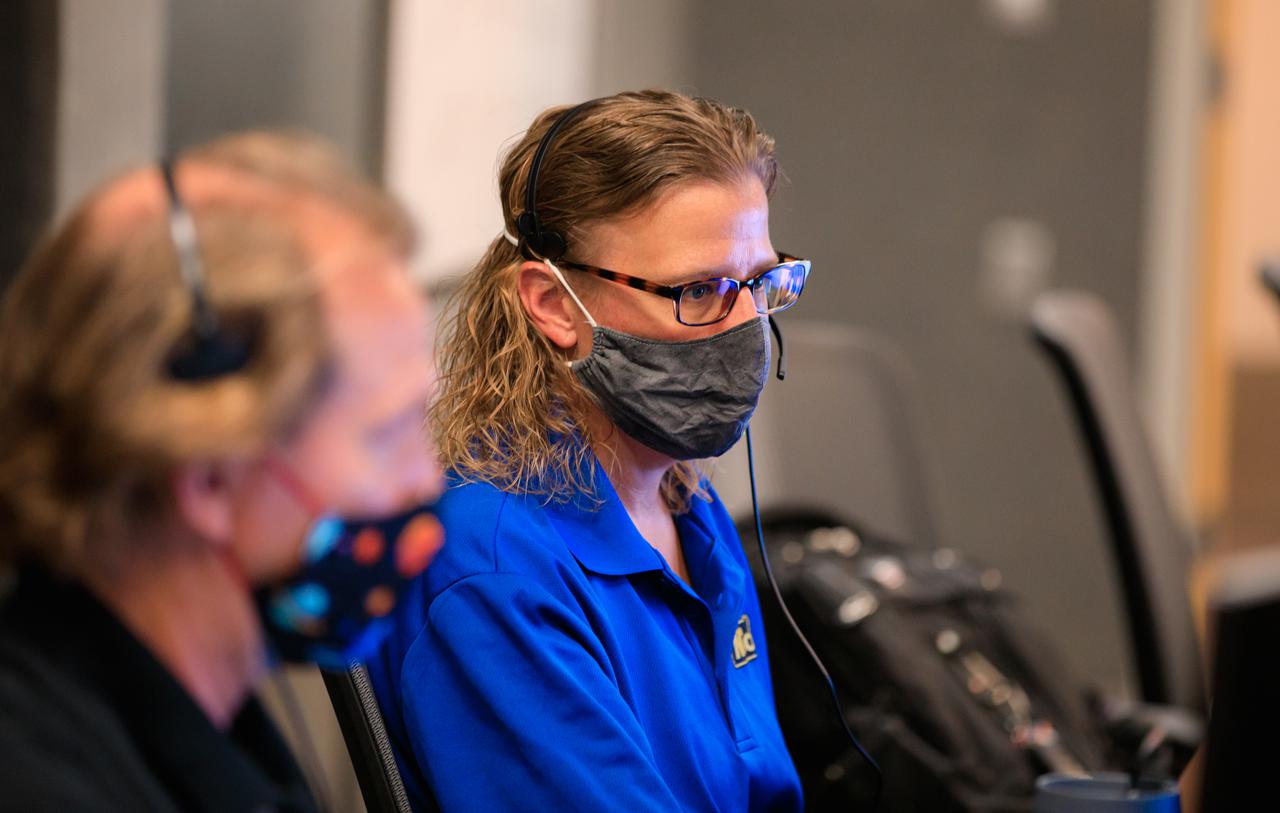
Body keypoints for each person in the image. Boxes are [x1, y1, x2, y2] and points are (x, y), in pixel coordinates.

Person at [370, 89, 810, 811]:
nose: (746, 327)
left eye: (760, 283)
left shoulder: (690, 510)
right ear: (551, 304)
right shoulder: (493, 567)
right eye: (699, 289)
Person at [0, 131, 444, 811]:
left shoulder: (211, 725)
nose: (427, 481)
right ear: (209, 475)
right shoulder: (47, 782)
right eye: (388, 433)